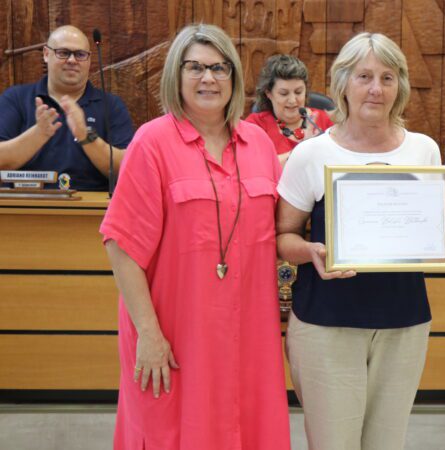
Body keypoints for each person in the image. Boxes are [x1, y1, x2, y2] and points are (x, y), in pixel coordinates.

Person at [99, 23, 290, 449]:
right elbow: (122, 245)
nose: (208, 78)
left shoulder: (258, 143)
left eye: (219, 67)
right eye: (195, 68)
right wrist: (148, 333)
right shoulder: (151, 143)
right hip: (174, 337)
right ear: (176, 75)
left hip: (249, 337)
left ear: (234, 77)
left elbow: (288, 225)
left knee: (249, 430)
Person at [276, 32, 445, 450]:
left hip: (404, 322)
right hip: (328, 324)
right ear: (343, 82)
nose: (376, 89)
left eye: (387, 77)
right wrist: (310, 251)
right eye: (364, 76)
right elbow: (282, 237)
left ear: (400, 86)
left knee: (387, 443)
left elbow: (431, 235)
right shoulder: (312, 154)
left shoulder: (424, 150)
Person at [0, 25, 134, 191]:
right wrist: (38, 134)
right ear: (46, 54)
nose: (72, 60)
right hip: (28, 208)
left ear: (89, 60)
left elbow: (128, 169)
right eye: (63, 53)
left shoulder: (111, 105)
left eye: (80, 54)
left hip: (91, 210)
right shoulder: (16, 98)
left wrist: (85, 135)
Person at [246, 54, 334, 165]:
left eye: (298, 92)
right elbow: (254, 168)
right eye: (284, 93)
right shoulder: (255, 125)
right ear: (269, 93)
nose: (292, 100)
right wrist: (302, 151)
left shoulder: (323, 120)